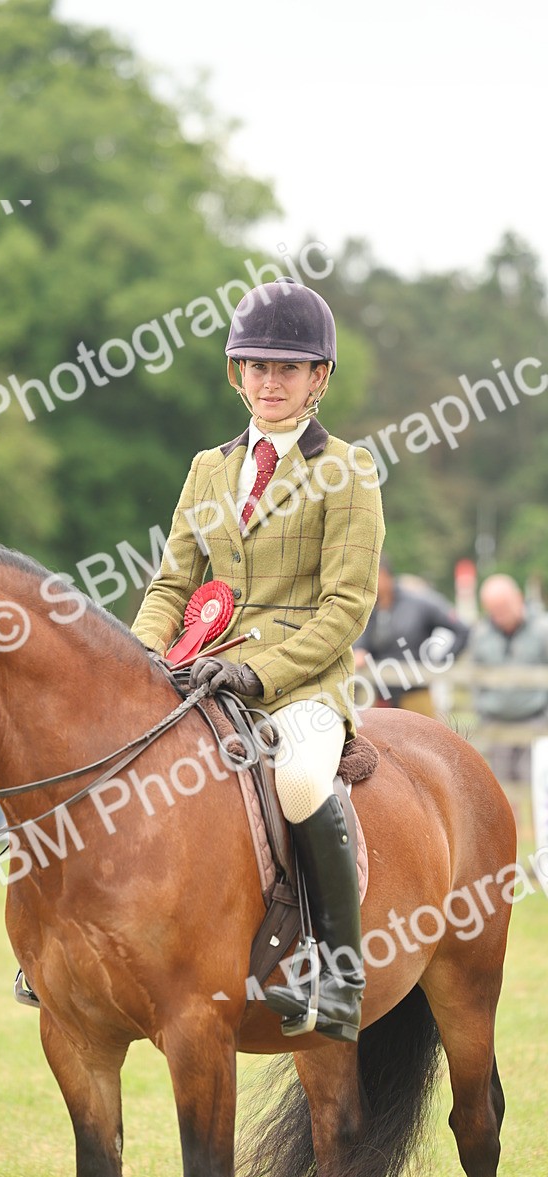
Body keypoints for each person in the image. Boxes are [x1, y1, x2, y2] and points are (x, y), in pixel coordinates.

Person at [132, 277, 385, 1042]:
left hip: (301, 684)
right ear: (235, 373)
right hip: (199, 670)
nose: (269, 382)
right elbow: (173, 582)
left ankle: (338, 970)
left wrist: (259, 671)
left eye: (288, 368)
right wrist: (139, 663)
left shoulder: (348, 469)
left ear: (319, 379)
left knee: (303, 779)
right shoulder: (208, 469)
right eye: (256, 366)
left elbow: (345, 608)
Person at [353, 556, 470, 717]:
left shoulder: (419, 604)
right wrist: (360, 649)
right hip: (381, 697)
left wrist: (441, 663)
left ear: (386, 576)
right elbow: (362, 640)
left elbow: (461, 630)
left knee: (423, 740)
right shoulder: (369, 609)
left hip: (416, 695)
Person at [470, 574, 548, 782]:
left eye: (503, 607)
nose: (499, 615)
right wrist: (483, 710)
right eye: (493, 610)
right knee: (501, 787)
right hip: (496, 723)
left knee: (536, 785)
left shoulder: (542, 629)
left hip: (536, 721)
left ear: (518, 598)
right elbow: (474, 678)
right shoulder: (480, 634)